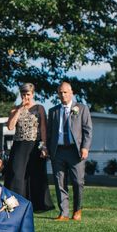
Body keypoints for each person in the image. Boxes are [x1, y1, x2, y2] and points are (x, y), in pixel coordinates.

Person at [3, 83, 54, 212]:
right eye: (23, 94)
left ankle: (35, 204)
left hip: (34, 144)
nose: (26, 97)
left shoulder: (39, 108)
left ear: (33, 94)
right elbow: (10, 126)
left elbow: (43, 128)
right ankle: (14, 202)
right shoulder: (15, 109)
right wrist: (20, 109)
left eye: (28, 94)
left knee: (34, 174)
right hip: (19, 144)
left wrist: (45, 146)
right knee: (16, 173)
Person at [47, 82, 92, 221]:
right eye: (60, 92)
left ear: (71, 92)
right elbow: (49, 133)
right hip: (58, 151)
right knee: (60, 182)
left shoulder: (82, 108)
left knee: (78, 182)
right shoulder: (53, 111)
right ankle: (64, 213)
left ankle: (77, 210)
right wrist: (47, 148)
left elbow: (87, 130)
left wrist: (85, 147)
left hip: (75, 151)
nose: (63, 95)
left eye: (65, 92)